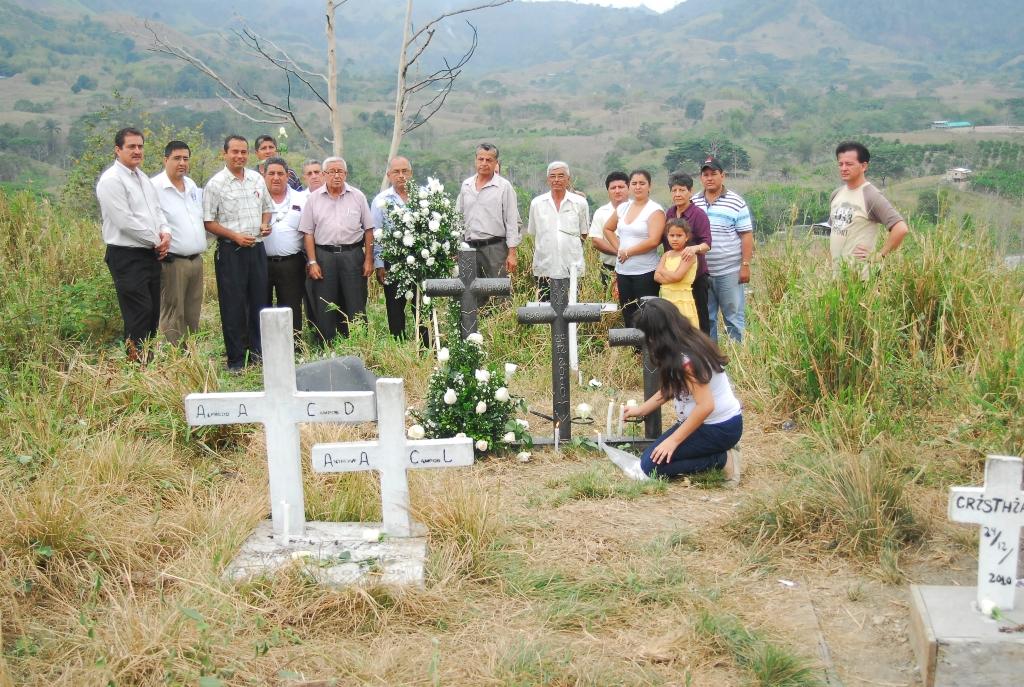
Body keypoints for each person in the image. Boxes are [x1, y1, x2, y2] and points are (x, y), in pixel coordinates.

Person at [623, 298, 742, 482]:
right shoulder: (684, 343)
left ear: (658, 335)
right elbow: (672, 388)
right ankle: (714, 453)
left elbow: (706, 406)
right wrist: (641, 410)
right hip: (705, 424)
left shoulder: (687, 360)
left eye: (648, 335)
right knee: (648, 460)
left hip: (720, 427)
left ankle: (721, 459)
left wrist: (674, 440)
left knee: (648, 470)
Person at [95, 127, 171, 362]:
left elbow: (157, 211)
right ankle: (134, 366)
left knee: (152, 312)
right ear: (118, 150)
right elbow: (125, 221)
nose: (137, 151)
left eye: (140, 146)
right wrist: (156, 240)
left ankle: (147, 363)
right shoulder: (111, 180)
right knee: (138, 312)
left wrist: (165, 233)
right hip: (127, 255)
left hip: (150, 253)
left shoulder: (143, 178)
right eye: (131, 146)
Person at [203, 134, 273, 371]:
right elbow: (208, 221)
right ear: (225, 154)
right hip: (231, 251)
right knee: (233, 306)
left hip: (257, 249)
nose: (239, 156)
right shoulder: (215, 184)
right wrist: (234, 236)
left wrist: (265, 225)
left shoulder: (256, 179)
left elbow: (267, 209)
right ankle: (236, 359)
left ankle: (258, 354)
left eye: (243, 152)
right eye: (235, 152)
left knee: (260, 302)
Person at [300, 156, 374, 342]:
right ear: (324, 174)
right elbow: (308, 232)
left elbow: (368, 229)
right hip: (324, 256)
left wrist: (368, 259)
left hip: (353, 255)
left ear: (346, 174)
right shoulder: (314, 199)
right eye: (331, 171)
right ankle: (327, 344)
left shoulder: (358, 196)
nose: (336, 175)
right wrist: (312, 261)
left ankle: (358, 342)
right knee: (325, 302)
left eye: (340, 171)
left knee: (355, 301)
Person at [151, 140, 207, 346]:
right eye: (177, 158)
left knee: (192, 311)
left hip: (196, 260)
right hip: (173, 261)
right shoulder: (154, 187)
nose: (182, 162)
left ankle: (190, 358)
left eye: (185, 158)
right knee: (174, 312)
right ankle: (173, 360)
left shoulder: (191, 185)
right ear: (166, 160)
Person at [692, 157, 753, 343]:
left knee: (733, 318)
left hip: (729, 271)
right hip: (702, 273)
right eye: (705, 175)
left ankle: (740, 361)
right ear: (701, 178)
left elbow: (746, 235)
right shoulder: (694, 202)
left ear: (722, 176)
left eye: (714, 174)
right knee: (707, 318)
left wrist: (745, 265)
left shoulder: (736, 202)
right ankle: (713, 362)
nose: (709, 178)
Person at [829, 141, 909, 277]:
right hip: (838, 277)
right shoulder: (836, 194)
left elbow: (901, 228)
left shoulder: (870, 195)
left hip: (860, 279)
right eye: (840, 164)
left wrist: (880, 255)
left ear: (864, 166)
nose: (843, 168)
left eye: (849, 164)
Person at [370, 156, 426, 343]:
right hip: (392, 262)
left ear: (411, 173)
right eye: (396, 172)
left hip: (421, 261)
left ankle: (427, 346)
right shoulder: (381, 200)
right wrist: (379, 264)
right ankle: (399, 346)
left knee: (422, 305)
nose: (401, 176)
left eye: (405, 171)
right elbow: (376, 234)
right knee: (394, 306)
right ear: (389, 175)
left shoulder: (424, 196)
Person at [602, 169, 666, 328]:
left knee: (647, 315)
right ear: (629, 187)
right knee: (628, 313)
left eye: (642, 183)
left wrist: (629, 252)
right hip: (623, 271)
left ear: (649, 186)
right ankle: (633, 350)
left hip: (645, 271)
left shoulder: (655, 210)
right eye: (634, 183)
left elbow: (654, 240)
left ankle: (648, 350)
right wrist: (619, 250)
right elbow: (607, 229)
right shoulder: (623, 207)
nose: (638, 187)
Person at [526, 161, 590, 301]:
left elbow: (584, 233)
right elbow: (534, 233)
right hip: (544, 268)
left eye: (561, 176)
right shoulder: (537, 203)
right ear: (548, 179)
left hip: (572, 268)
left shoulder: (579, 203)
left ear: (568, 179)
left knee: (573, 313)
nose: (556, 180)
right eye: (553, 176)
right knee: (545, 313)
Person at [456, 143, 521, 279]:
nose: (484, 163)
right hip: (468, 248)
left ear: (496, 162)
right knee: (469, 295)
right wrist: (456, 246)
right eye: (481, 159)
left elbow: (512, 221)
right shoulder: (466, 185)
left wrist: (512, 253)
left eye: (489, 160)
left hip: (494, 248)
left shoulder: (504, 187)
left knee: (498, 294)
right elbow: (459, 218)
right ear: (476, 160)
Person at [261, 156, 307, 334]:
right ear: (263, 175)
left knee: (291, 307)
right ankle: (262, 347)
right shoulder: (256, 198)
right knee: (261, 306)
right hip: (261, 262)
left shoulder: (301, 199)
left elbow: (309, 231)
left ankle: (293, 347)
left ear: (288, 176)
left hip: (291, 263)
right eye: (271, 173)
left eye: (280, 173)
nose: (276, 177)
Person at [664, 171, 712, 335]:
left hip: (695, 276)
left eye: (682, 190)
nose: (678, 194)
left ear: (690, 191)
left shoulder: (698, 214)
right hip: (673, 278)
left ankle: (706, 356)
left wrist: (694, 248)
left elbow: (707, 243)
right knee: (675, 320)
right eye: (674, 190)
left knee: (700, 318)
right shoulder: (669, 213)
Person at [655, 218, 700, 329]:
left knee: (684, 333)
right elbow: (656, 276)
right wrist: (671, 276)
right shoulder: (667, 254)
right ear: (667, 236)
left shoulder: (688, 254)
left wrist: (663, 271)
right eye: (672, 235)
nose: (675, 239)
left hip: (682, 301)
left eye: (679, 236)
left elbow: (678, 276)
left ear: (687, 237)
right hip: (667, 299)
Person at [589, 171, 629, 288]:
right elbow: (596, 241)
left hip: (635, 267)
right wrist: (620, 253)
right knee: (609, 303)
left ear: (629, 188)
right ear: (608, 191)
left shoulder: (638, 210)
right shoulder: (601, 212)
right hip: (609, 268)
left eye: (621, 187)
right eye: (613, 188)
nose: (617, 191)